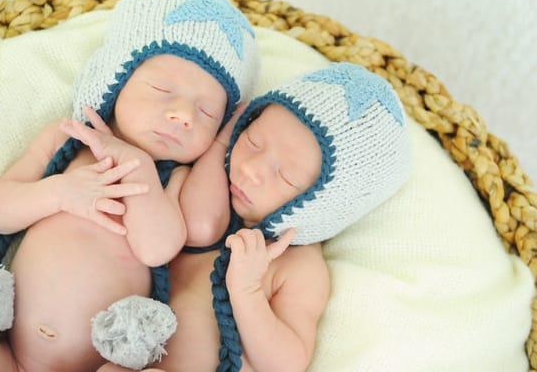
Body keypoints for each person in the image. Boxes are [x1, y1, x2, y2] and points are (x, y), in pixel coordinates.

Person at [0, 0, 258, 372]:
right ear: (117, 80)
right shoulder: (67, 141)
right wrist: (59, 193)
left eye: (207, 112)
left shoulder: (171, 181)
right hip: (7, 355)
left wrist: (138, 167)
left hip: (103, 363)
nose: (183, 115)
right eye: (161, 89)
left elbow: (158, 249)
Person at [147, 62, 413, 371]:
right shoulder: (212, 184)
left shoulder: (297, 265)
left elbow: (285, 363)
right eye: (252, 141)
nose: (250, 169)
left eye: (286, 177)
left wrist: (248, 290)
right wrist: (222, 142)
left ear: (320, 207)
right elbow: (196, 226)